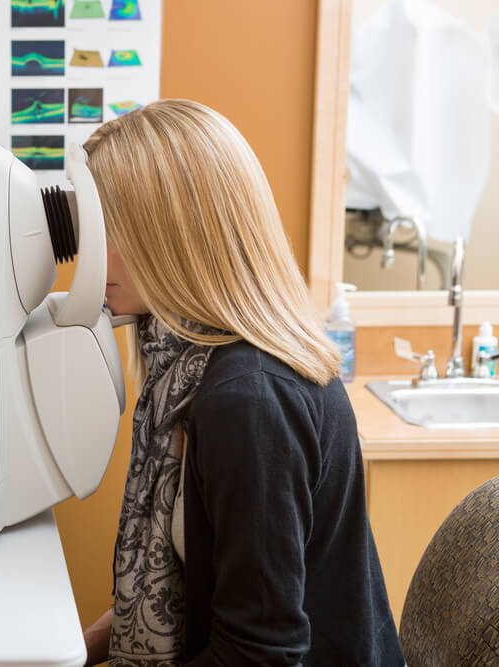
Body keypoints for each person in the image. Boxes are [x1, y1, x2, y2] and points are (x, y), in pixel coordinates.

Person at [80, 100, 404, 666]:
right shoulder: (184, 367)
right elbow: (180, 585)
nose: (90, 255)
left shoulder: (249, 401)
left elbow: (260, 655)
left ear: (176, 237)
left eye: (110, 230)